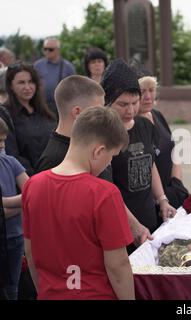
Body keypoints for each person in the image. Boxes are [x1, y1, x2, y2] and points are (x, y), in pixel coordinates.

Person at [22, 106, 135, 300]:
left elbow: (31, 254)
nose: (108, 164)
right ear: (98, 151)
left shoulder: (32, 185)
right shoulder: (104, 193)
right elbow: (118, 265)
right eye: (110, 158)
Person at [35, 75, 151, 246]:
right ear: (78, 113)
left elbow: (108, 193)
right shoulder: (54, 159)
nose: (106, 113)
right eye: (98, 109)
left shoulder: (93, 145)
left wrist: (135, 226)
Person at [101, 59, 176, 236]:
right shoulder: (102, 136)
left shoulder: (144, 125)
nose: (130, 110)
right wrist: (132, 225)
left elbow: (150, 164)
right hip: (120, 222)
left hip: (148, 216)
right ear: (107, 102)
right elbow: (107, 191)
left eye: (134, 102)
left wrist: (162, 199)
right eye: (123, 104)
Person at [138, 76, 189, 210]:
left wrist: (177, 184)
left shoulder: (157, 115)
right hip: (152, 200)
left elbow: (173, 149)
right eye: (142, 91)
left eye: (151, 90)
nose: (148, 96)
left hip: (171, 192)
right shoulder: (134, 124)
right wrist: (161, 197)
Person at [0, 61, 55, 176]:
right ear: (11, 86)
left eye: (31, 82)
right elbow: (12, 154)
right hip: (26, 181)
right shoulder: (4, 114)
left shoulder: (47, 111)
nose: (27, 87)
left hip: (53, 177)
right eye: (21, 83)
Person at [0, 118, 29, 300]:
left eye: (3, 141)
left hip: (15, 236)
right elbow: (27, 198)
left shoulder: (10, 162)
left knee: (13, 288)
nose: (2, 146)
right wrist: (22, 204)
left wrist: (5, 203)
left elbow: (33, 192)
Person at [34, 37, 75, 115]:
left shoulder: (68, 67)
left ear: (58, 50)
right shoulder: (37, 65)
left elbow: (73, 89)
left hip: (61, 108)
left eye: (50, 49)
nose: (47, 51)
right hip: (41, 106)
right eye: (45, 49)